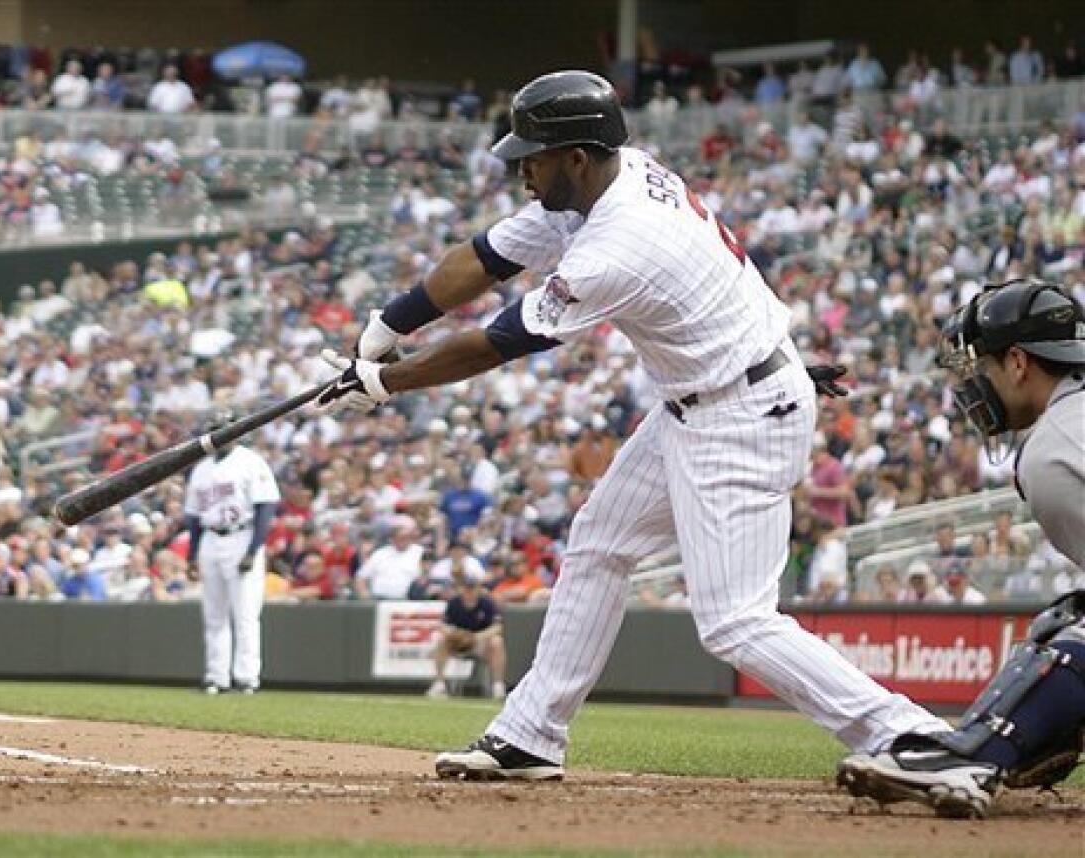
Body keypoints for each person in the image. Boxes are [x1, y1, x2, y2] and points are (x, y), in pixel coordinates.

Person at [316, 70, 945, 783]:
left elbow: (498, 341)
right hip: (707, 395)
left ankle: (911, 734)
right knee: (597, 546)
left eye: (533, 156)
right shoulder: (610, 179)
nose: (522, 169)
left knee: (735, 619)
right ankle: (531, 734)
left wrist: (384, 381)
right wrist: (386, 327)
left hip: (738, 416)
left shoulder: (618, 243)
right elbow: (488, 257)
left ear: (576, 157)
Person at [838, 279, 1085, 817]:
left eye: (985, 367)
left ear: (1018, 363)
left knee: (1072, 633)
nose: (976, 385)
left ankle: (977, 754)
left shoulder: (1052, 449)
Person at [184, 411, 280, 694]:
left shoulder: (251, 462)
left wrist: (253, 550)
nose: (220, 434)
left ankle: (247, 677)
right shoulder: (201, 468)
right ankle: (216, 676)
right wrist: (191, 555)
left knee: (246, 614)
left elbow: (266, 507)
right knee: (214, 615)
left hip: (242, 535)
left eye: (226, 429)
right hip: (211, 539)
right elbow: (193, 516)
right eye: (215, 429)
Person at [426, 577, 506, 700]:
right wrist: (456, 634)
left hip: (479, 643)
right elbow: (442, 625)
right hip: (458, 642)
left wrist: (475, 637)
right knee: (441, 640)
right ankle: (439, 684)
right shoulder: (454, 603)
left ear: (478, 589)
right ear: (461, 589)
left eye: (472, 588)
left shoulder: (487, 603)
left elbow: (497, 627)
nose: (469, 592)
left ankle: (498, 685)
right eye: (466, 588)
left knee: (497, 642)